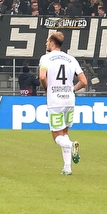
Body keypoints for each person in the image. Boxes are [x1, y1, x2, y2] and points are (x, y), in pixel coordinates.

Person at [38, 31, 87, 175]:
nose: (46, 44)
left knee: (57, 135)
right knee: (64, 132)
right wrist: (72, 89)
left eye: (47, 41)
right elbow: (84, 81)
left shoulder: (46, 58)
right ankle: (67, 168)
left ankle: (72, 146)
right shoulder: (71, 59)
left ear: (52, 43)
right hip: (70, 100)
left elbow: (42, 76)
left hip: (55, 100)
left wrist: (47, 87)